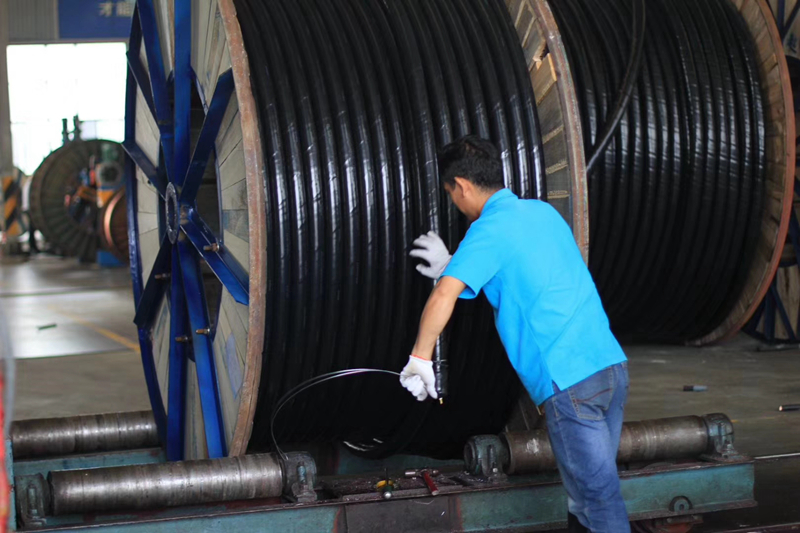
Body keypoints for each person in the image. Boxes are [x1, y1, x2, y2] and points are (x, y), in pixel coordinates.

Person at [400, 136, 630, 533]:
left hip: (568, 383)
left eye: (452, 195)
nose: (456, 204)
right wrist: (454, 262)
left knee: (597, 500)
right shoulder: (541, 213)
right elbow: (527, 269)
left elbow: (444, 294)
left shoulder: (488, 230)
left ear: (463, 186)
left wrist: (420, 357)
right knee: (586, 497)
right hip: (609, 369)